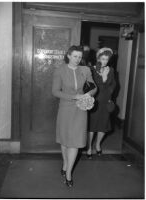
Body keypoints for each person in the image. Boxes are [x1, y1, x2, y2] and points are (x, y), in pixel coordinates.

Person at [52, 45, 97, 187]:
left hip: (80, 110)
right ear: (69, 56)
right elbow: (55, 91)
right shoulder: (60, 70)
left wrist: (87, 95)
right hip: (65, 108)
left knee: (75, 141)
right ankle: (65, 164)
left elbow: (94, 87)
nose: (78, 59)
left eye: (80, 57)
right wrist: (74, 96)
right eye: (75, 56)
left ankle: (69, 173)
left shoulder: (85, 70)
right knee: (65, 140)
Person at [86, 47, 116, 158]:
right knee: (92, 126)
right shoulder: (91, 69)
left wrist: (110, 92)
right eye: (102, 59)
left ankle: (98, 145)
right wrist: (103, 78)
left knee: (103, 125)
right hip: (95, 100)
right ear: (98, 58)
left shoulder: (111, 70)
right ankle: (89, 147)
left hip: (106, 100)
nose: (104, 62)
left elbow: (113, 84)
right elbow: (93, 85)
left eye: (106, 60)